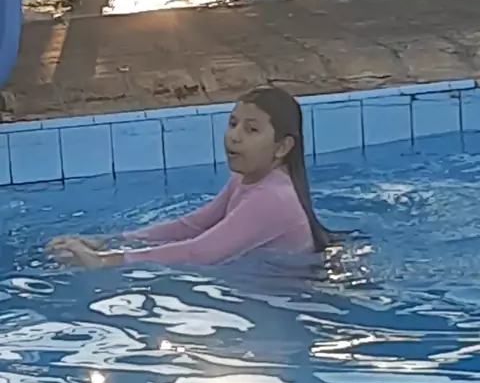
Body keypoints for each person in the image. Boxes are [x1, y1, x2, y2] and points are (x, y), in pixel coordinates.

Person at [46, 86, 333, 268]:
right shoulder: (246, 179)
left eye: (251, 130)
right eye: (233, 124)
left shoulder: (273, 198)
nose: (234, 136)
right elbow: (192, 226)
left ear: (282, 147)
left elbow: (202, 252)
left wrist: (107, 262)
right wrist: (107, 241)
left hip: (297, 299)